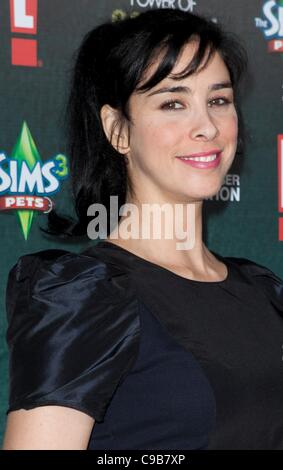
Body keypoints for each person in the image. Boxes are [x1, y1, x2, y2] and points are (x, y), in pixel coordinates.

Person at [3, 8, 283, 450]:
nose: (207, 126)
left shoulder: (264, 292)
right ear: (118, 130)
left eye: (218, 100)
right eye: (173, 102)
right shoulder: (84, 299)